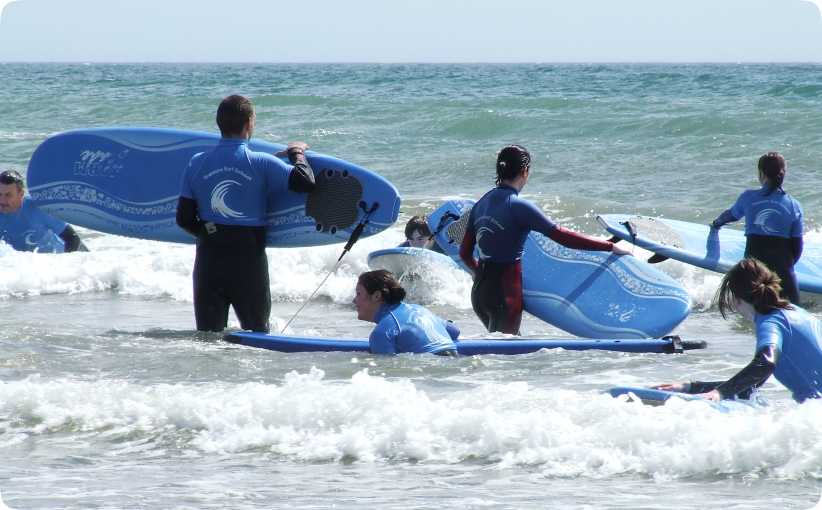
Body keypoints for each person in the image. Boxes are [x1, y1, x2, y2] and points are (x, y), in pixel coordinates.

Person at [176, 94, 315, 333]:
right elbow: (306, 181)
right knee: (258, 339)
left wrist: (210, 233)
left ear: (218, 123)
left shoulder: (196, 163)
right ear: (249, 123)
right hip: (247, 262)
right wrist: (296, 152)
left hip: (209, 261)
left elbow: (184, 219)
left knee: (208, 341)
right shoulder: (259, 162)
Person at [459, 145, 633, 335]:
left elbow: (464, 252)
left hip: (479, 293)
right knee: (506, 357)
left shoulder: (481, 203)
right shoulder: (519, 207)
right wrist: (609, 246)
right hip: (505, 295)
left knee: (500, 356)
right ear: (525, 171)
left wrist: (477, 272)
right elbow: (563, 237)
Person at [653, 258, 822, 403]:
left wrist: (719, 393)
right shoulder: (796, 312)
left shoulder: (771, 322)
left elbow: (765, 363)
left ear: (737, 299)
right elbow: (750, 385)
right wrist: (689, 386)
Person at [710, 151, 803, 304]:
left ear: (761, 173)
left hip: (752, 276)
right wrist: (782, 270)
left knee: (753, 317)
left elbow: (729, 216)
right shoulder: (794, 206)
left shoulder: (748, 198)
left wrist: (716, 224)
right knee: (792, 316)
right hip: (782, 275)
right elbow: (797, 249)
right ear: (784, 173)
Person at [353, 269, 460, 356]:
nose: (354, 301)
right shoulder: (420, 310)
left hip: (433, 370)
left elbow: (387, 371)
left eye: (358, 294)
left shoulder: (381, 333)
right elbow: (455, 331)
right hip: (455, 361)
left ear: (376, 296)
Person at [0, 170, 88, 253]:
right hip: (24, 264)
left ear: (21, 194)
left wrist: (66, 265)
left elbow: (72, 238)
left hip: (59, 259)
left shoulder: (39, 208)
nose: (2, 200)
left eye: (8, 195)